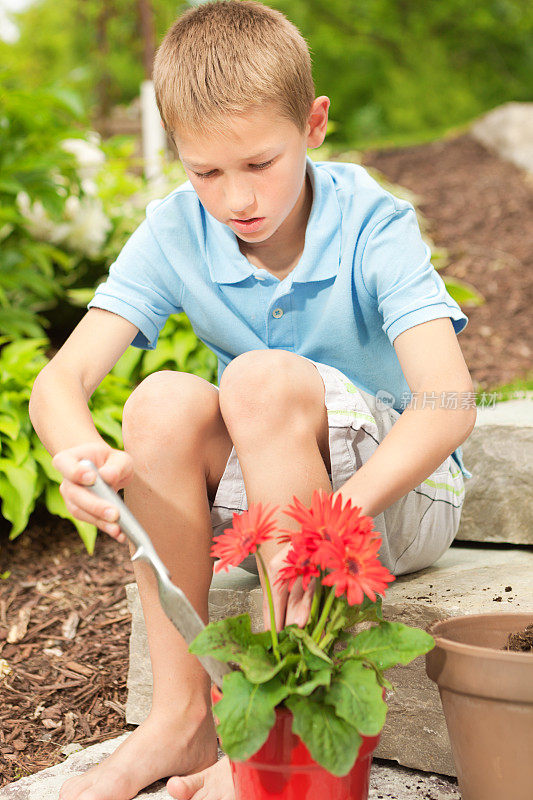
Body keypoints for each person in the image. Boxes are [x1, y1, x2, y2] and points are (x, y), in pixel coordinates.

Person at [28, 2, 476, 799]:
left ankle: (281, 727)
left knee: (258, 377)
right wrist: (76, 457)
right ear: (177, 156)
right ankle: (181, 719)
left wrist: (336, 518)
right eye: (205, 172)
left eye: (259, 163)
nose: (236, 198)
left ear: (313, 124)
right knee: (160, 401)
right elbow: (62, 382)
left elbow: (446, 402)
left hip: (398, 500)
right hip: (273, 499)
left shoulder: (370, 222)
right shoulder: (174, 232)